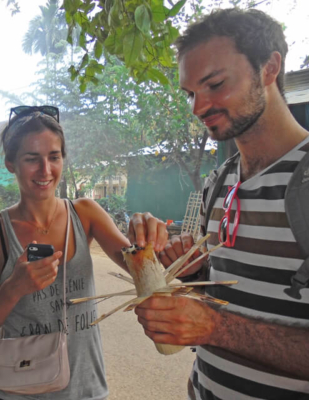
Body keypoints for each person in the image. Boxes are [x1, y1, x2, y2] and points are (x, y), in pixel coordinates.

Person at [130, 8, 309, 400]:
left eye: (214, 84)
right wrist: (195, 274)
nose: (197, 107)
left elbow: (220, 322)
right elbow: (231, 294)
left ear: (269, 68)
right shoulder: (221, 181)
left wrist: (215, 327)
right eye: (191, 93)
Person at [0, 105, 168, 400]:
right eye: (31, 159)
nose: (45, 170)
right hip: (12, 391)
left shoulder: (85, 214)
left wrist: (147, 232)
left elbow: (142, 265)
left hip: (84, 390)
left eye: (54, 157)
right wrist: (12, 289)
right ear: (11, 163)